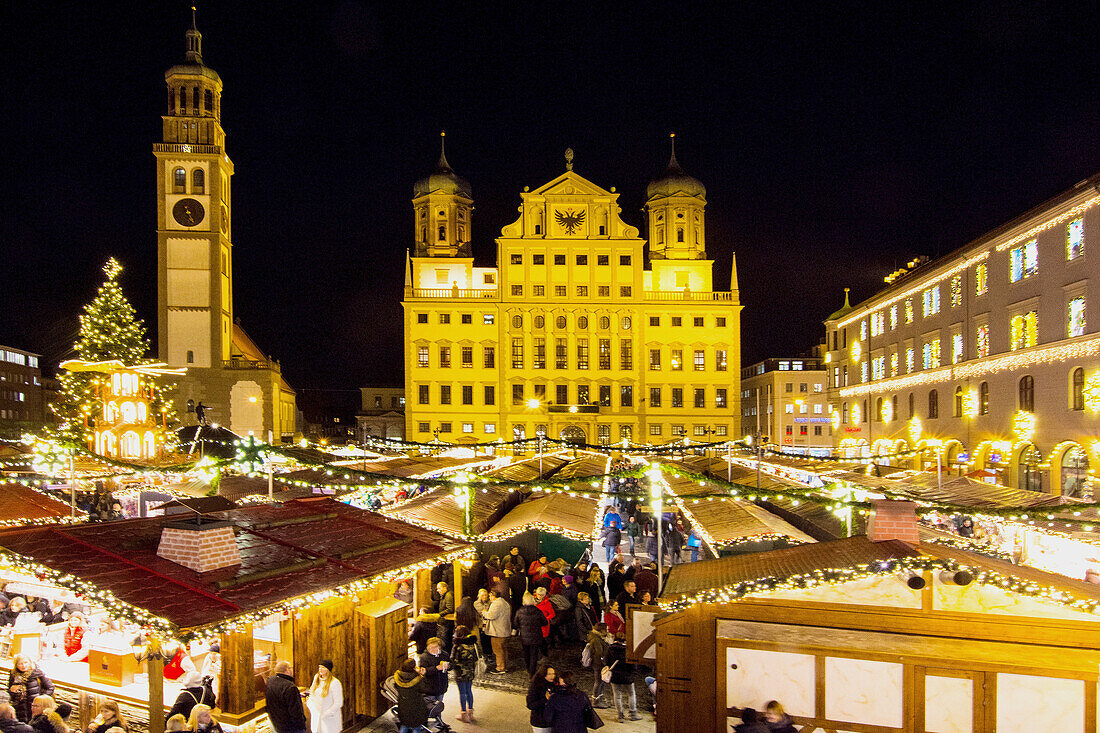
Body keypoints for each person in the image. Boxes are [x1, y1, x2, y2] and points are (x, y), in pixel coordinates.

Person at [6, 656, 53, 722]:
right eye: (20, 663)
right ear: (16, 665)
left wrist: (41, 700)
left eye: (26, 662)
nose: (24, 665)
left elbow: (50, 687)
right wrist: (11, 691)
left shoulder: (36, 673)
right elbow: (10, 695)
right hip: (19, 710)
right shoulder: (13, 675)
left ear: (30, 663)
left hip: (34, 708)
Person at [264, 661, 307, 733]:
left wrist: (297, 696)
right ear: (287, 670)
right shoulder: (290, 687)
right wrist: (302, 726)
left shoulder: (271, 680)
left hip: (277, 724)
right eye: (291, 668)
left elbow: (278, 698)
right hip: (291, 728)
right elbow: (296, 713)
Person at [391, 659, 431, 733]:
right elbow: (426, 689)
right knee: (416, 726)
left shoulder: (398, 676)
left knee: (404, 724)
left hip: (403, 705)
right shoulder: (417, 678)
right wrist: (422, 675)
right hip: (416, 706)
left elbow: (396, 686)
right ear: (413, 668)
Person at [607, 634, 640, 722]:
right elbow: (633, 665)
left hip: (615, 676)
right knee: (631, 694)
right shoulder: (629, 650)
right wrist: (633, 674)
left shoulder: (610, 649)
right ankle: (633, 714)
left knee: (617, 696)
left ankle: (620, 716)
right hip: (627, 676)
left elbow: (606, 662)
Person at [515, 592, 549, 675]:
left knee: (526, 653)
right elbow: (545, 622)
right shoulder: (537, 611)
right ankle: (532, 672)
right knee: (534, 654)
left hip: (524, 637)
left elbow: (516, 623)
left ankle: (528, 668)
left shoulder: (520, 611)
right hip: (536, 636)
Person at [450, 626, 479, 723]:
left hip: (460, 672)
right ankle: (470, 712)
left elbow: (453, 660)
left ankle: (463, 714)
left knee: (462, 693)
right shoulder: (473, 644)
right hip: (470, 671)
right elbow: (476, 658)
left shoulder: (457, 646)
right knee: (469, 691)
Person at [305, 661, 342, 733]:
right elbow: (311, 693)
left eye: (323, 667)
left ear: (328, 669)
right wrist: (311, 706)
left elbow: (338, 703)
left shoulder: (335, 683)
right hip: (316, 716)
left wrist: (326, 714)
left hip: (329, 720)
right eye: (319, 667)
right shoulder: (316, 679)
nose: (320, 669)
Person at [482, 587, 511, 674]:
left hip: (497, 632)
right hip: (505, 631)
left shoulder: (496, 604)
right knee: (504, 649)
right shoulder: (505, 603)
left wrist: (484, 612)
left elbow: (491, 616)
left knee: (498, 650)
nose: (489, 598)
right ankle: (505, 666)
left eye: (490, 596)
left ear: (493, 595)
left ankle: (500, 668)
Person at [586, 623, 611, 709]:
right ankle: (595, 701)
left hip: (598, 664)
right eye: (606, 629)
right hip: (598, 664)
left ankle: (599, 699)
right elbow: (599, 653)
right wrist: (604, 663)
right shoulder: (596, 640)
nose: (607, 630)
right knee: (598, 682)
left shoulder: (597, 637)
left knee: (601, 682)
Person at [526, 662, 556, 733]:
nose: (552, 676)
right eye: (549, 674)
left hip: (552, 721)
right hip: (540, 722)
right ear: (543, 674)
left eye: (553, 674)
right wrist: (545, 699)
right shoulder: (535, 686)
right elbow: (531, 705)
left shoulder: (554, 685)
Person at [417, 637, 450, 702]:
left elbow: (451, 664)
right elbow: (424, 671)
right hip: (429, 688)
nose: (432, 649)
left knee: (438, 707)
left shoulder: (444, 655)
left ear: (439, 647)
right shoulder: (424, 657)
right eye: (430, 647)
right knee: (430, 709)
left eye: (435, 647)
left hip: (441, 686)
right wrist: (436, 668)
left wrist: (448, 666)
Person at [433, 582, 456, 652]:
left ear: (445, 588)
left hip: (446, 622)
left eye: (439, 588)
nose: (437, 590)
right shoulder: (444, 595)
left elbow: (450, 609)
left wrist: (440, 614)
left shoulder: (448, 596)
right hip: (445, 622)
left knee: (445, 640)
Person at [533, 587, 556, 652]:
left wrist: (545, 619)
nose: (540, 596)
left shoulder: (547, 603)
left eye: (542, 595)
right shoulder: (532, 601)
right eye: (539, 594)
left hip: (543, 625)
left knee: (543, 640)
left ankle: (544, 653)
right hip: (534, 623)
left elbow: (552, 614)